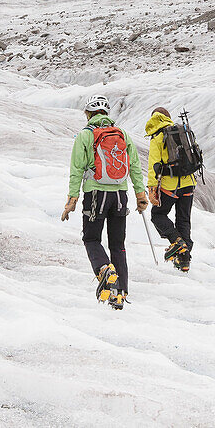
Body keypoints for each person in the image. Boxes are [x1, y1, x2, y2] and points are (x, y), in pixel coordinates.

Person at [61, 95, 148, 310]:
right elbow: (135, 166)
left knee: (91, 239)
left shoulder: (85, 135)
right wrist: (140, 194)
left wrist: (72, 200)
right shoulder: (123, 134)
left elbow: (77, 170)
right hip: (120, 195)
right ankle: (119, 293)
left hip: (96, 195)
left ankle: (104, 270)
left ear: (88, 114)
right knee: (118, 245)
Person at [144, 107, 197, 271]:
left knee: (157, 215)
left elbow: (154, 165)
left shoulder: (158, 136)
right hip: (189, 183)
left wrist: (152, 188)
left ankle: (177, 242)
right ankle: (184, 260)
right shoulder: (182, 132)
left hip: (170, 186)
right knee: (183, 220)